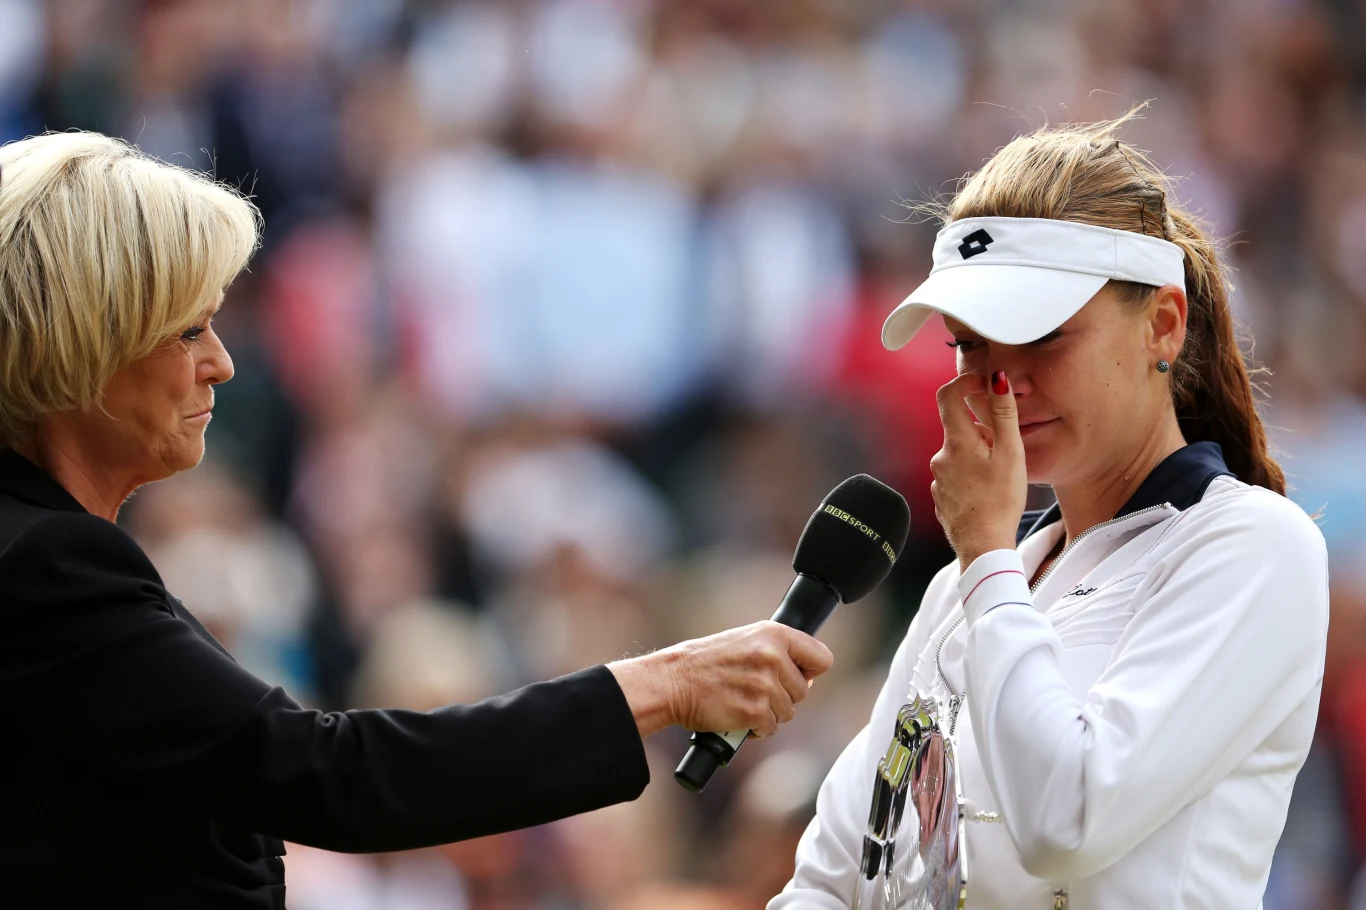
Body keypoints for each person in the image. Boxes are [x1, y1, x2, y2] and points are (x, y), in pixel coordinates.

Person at [0, 131, 833, 908]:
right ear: (85, 342)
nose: (220, 363)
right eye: (190, 330)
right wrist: (662, 684)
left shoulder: (46, 552)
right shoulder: (48, 566)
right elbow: (331, 776)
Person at [774, 115, 1330, 908]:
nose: (1002, 382)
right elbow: (832, 878)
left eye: (1040, 336)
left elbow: (1067, 823)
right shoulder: (967, 586)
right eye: (969, 344)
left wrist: (986, 559)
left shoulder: (1253, 544)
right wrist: (987, 567)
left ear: (1163, 326)